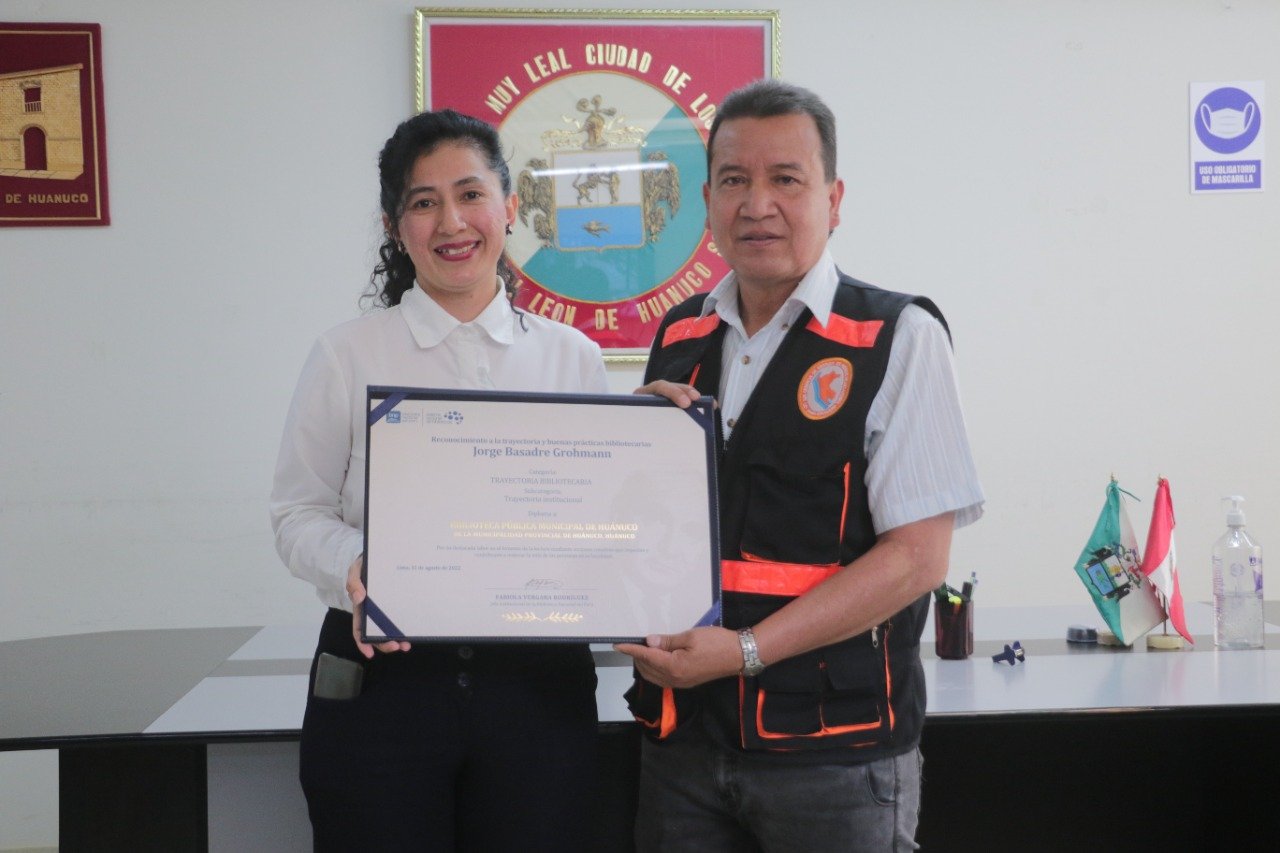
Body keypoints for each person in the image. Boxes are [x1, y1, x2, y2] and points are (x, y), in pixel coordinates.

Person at [615, 79, 985, 852]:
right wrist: (630, 446)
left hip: (834, 757)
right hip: (683, 744)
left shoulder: (898, 336)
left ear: (834, 197)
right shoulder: (679, 336)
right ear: (708, 199)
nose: (757, 204)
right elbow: (654, 534)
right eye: (734, 181)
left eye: (786, 179)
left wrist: (745, 652)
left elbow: (918, 559)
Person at [270, 109, 608, 852]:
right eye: (424, 202)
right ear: (395, 225)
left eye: (470, 194)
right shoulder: (346, 355)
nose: (451, 221)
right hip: (382, 685)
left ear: (511, 207)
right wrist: (356, 566)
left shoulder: (572, 359)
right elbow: (296, 513)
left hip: (535, 688)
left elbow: (601, 522)